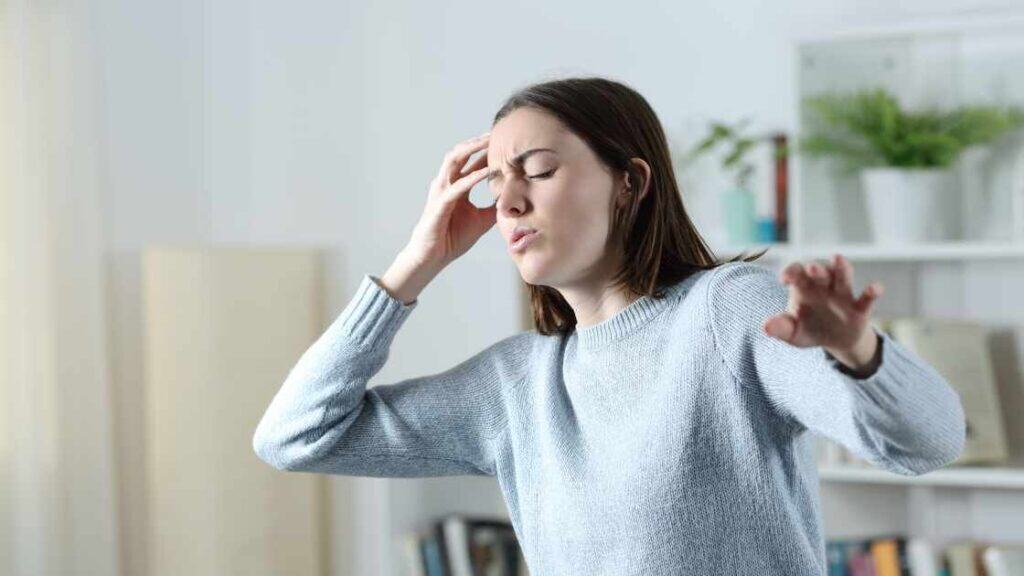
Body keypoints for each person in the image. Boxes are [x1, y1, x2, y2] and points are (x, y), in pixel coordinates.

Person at [252, 76, 966, 575]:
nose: (509, 202)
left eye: (536, 170)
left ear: (630, 182)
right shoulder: (515, 386)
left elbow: (927, 444)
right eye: (496, 183)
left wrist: (857, 352)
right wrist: (417, 260)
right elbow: (294, 436)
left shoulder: (725, 312)